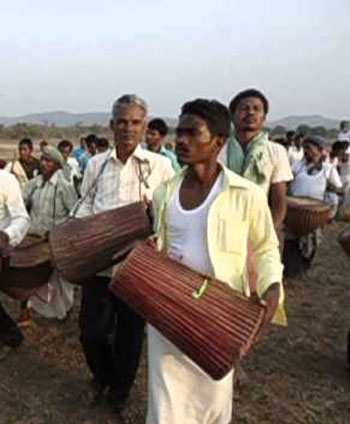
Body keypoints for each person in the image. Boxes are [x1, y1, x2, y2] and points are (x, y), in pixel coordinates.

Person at [148, 99, 285, 424]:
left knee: (211, 401)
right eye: (179, 132)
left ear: (219, 142)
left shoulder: (246, 194)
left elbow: (265, 247)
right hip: (168, 309)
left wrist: (272, 287)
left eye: (193, 133)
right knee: (165, 404)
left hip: (220, 313)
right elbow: (163, 242)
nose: (181, 140)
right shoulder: (164, 192)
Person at [75, 94, 174, 411]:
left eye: (134, 122)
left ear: (144, 126)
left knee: (129, 338)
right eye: (121, 121)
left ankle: (119, 395)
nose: (128, 128)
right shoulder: (96, 164)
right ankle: (103, 377)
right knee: (91, 333)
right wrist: (80, 237)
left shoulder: (159, 166)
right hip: (100, 264)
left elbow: (168, 216)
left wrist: (152, 234)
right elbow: (84, 209)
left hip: (138, 268)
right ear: (111, 125)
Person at [19, 146, 78, 324]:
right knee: (29, 275)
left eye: (48, 161)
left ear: (58, 165)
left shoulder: (64, 186)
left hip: (56, 241)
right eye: (43, 159)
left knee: (61, 279)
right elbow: (20, 200)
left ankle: (65, 308)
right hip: (34, 240)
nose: (44, 163)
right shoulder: (35, 183)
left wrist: (61, 234)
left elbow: (74, 213)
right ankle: (26, 311)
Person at [221, 89, 293, 230]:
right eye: (244, 108)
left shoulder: (276, 151)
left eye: (257, 109)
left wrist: (267, 235)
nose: (251, 113)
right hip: (222, 223)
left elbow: (279, 201)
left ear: (264, 118)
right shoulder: (219, 149)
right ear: (232, 116)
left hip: (259, 224)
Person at [283, 136, 343, 278]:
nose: (306, 152)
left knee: (310, 243)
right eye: (305, 149)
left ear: (320, 151)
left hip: (314, 214)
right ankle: (290, 270)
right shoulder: (298, 166)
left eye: (309, 149)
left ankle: (302, 269)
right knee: (291, 242)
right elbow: (288, 181)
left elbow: (340, 190)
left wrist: (330, 191)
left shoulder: (328, 169)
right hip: (295, 211)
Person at [0, 170, 30, 347]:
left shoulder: (5, 180)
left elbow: (22, 218)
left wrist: (6, 235)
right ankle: (11, 335)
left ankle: (11, 335)